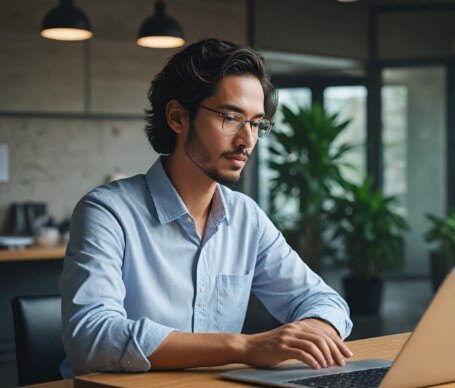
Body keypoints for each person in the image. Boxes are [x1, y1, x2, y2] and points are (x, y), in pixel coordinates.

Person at [59, 38, 353, 377]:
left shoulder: (246, 218)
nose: (247, 140)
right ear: (177, 117)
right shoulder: (107, 212)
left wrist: (316, 332)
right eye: (231, 118)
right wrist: (246, 347)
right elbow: (92, 339)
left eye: (257, 123)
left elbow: (325, 302)